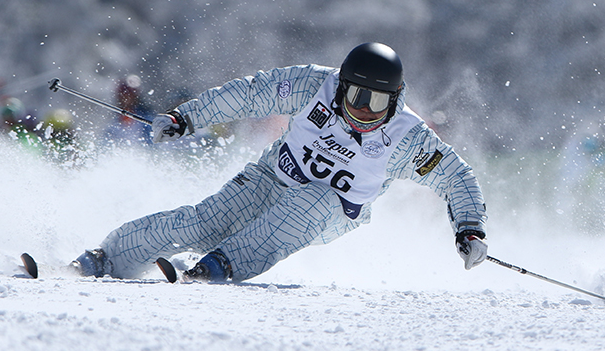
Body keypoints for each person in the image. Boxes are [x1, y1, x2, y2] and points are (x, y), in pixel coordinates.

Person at [71, 43, 488, 283]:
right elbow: (250, 94)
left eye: (378, 102)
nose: (364, 110)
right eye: (357, 96)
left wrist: (469, 229)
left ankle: (218, 267)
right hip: (271, 176)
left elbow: (456, 177)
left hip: (331, 210)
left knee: (307, 205)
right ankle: (106, 259)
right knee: (200, 222)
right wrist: (187, 117)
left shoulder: (407, 138)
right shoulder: (314, 85)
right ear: (342, 86)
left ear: (394, 100)